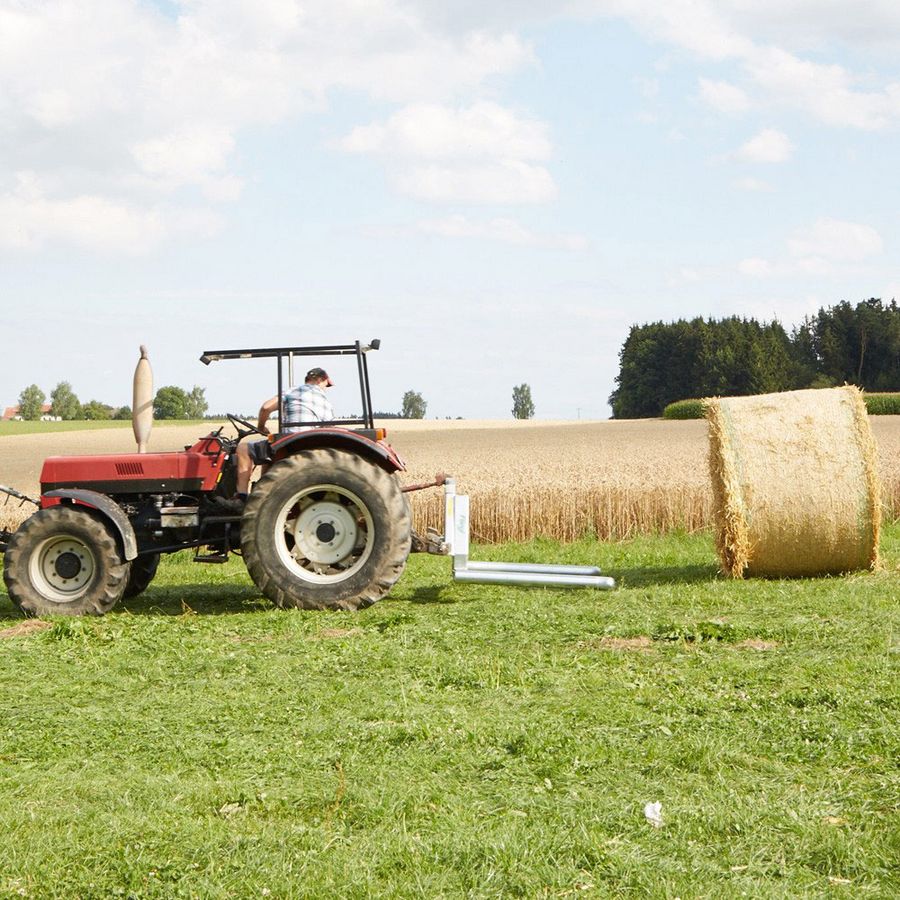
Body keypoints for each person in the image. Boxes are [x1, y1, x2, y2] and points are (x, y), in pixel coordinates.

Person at [227, 367, 335, 506]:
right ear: (320, 379)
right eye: (326, 384)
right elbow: (328, 428)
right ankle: (262, 491)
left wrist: (261, 427)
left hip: (290, 443)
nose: (325, 388)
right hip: (309, 444)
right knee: (268, 450)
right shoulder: (326, 402)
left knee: (243, 448)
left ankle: (241, 496)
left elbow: (266, 408)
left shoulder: (293, 391)